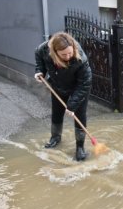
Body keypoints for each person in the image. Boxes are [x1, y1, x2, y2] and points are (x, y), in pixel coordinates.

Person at [34, 32, 93, 161]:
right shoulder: (44, 49)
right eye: (63, 55)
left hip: (79, 88)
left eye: (69, 53)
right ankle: (55, 138)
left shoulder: (80, 59)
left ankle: (80, 147)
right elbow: (38, 54)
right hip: (57, 86)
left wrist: (71, 106)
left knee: (79, 116)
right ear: (54, 52)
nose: (67, 56)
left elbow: (85, 84)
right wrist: (40, 71)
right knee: (57, 113)